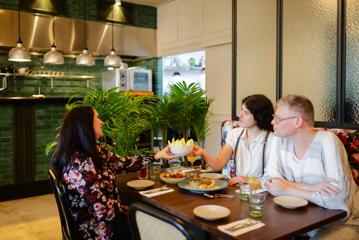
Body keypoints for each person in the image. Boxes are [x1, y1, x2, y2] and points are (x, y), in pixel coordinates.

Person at [52, 106, 165, 240]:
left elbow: (123, 163)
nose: (101, 122)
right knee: (157, 227)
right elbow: (103, 211)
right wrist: (137, 210)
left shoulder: (94, 151)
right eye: (97, 118)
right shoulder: (79, 167)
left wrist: (158, 155)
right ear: (85, 125)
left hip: (105, 222)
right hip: (98, 231)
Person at [263, 94, 359, 239]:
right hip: (296, 220)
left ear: (297, 121)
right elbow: (268, 181)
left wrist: (287, 188)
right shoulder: (278, 140)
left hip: (341, 222)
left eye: (278, 118)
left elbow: (336, 199)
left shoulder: (327, 141)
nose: (272, 121)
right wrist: (313, 188)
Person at [191, 94, 275, 185]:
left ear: (259, 116)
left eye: (246, 112)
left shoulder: (273, 140)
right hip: (239, 190)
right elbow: (218, 165)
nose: (240, 115)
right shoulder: (235, 134)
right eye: (242, 110)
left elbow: (275, 179)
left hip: (262, 192)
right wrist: (202, 152)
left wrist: (248, 180)